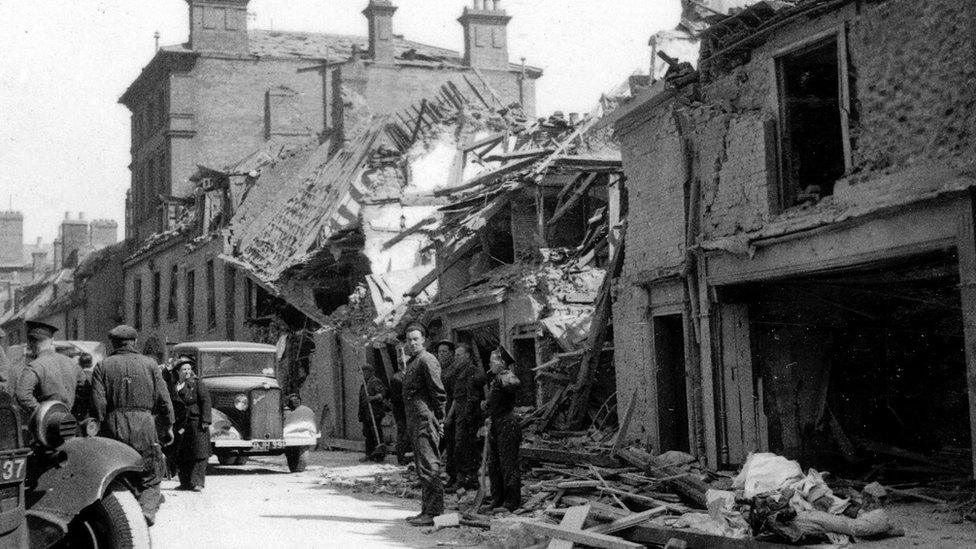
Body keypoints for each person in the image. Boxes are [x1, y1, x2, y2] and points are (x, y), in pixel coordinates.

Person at [91, 325, 175, 526]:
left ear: (113, 343)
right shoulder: (150, 365)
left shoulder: (103, 366)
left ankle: (122, 517)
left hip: (113, 426)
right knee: (151, 475)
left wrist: (100, 426)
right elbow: (164, 400)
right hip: (145, 425)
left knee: (116, 471)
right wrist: (168, 426)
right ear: (135, 342)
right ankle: (145, 511)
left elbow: (98, 404)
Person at [401, 323, 447, 526]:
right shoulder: (413, 362)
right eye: (409, 339)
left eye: (416, 339)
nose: (412, 343)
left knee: (430, 466)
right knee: (422, 467)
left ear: (424, 340)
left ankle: (435, 512)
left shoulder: (427, 360)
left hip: (425, 419)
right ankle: (426, 510)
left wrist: (441, 419)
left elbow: (438, 392)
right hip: (415, 420)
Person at [15, 320, 86, 415]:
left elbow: (22, 395)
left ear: (30, 343)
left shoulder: (34, 366)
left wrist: (43, 413)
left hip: (44, 425)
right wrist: (74, 412)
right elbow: (86, 390)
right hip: (69, 421)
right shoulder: (72, 364)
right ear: (52, 340)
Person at [483, 347, 522, 513]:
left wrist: (503, 375)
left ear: (503, 363)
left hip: (508, 424)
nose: (490, 364)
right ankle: (497, 499)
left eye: (494, 361)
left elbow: (515, 383)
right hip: (496, 424)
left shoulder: (506, 376)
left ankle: (511, 502)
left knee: (508, 464)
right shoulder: (495, 379)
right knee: (494, 465)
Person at [168, 358, 212, 491]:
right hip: (180, 423)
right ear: (177, 371)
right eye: (184, 369)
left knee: (199, 452)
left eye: (188, 369)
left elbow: (205, 401)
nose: (187, 371)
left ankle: (198, 482)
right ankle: (185, 482)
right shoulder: (173, 385)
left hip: (196, 421)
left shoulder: (197, 383)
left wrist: (205, 420)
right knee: (182, 453)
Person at [449, 343, 486, 490]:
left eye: (459, 355)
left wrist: (468, 418)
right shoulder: (459, 371)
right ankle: (466, 478)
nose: (456, 358)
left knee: (466, 447)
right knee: (462, 448)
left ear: (467, 356)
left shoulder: (471, 372)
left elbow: (472, 398)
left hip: (467, 417)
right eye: (455, 355)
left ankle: (467, 479)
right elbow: (456, 397)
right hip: (461, 415)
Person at [435, 339, 458, 489]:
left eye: (444, 352)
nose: (441, 355)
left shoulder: (454, 370)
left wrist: (449, 416)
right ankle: (433, 478)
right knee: (436, 447)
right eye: (439, 352)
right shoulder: (438, 369)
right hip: (439, 415)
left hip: (450, 415)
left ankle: (453, 478)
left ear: (451, 354)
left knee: (451, 448)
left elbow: (456, 396)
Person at [358, 364, 388, 462]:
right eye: (362, 372)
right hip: (366, 413)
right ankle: (369, 454)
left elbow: (382, 395)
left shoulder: (375, 382)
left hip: (375, 412)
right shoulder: (365, 383)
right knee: (367, 433)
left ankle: (379, 455)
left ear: (370, 372)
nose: (362, 374)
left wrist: (372, 398)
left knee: (376, 434)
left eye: (365, 372)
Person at [389, 349, 412, 466]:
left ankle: (407, 457)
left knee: (408, 434)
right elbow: (396, 398)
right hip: (401, 411)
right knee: (403, 434)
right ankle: (402, 458)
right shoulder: (396, 378)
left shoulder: (409, 375)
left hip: (408, 411)